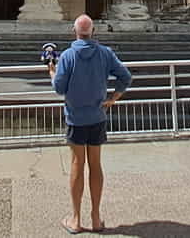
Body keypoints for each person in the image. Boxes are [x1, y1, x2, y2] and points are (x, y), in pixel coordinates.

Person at [48, 14, 131, 234]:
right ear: (93, 31)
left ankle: (75, 219)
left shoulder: (67, 56)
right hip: (97, 117)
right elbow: (126, 77)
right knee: (96, 165)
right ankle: (96, 217)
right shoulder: (105, 53)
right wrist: (114, 98)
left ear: (74, 32)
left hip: (76, 118)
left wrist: (52, 71)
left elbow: (58, 88)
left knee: (77, 164)